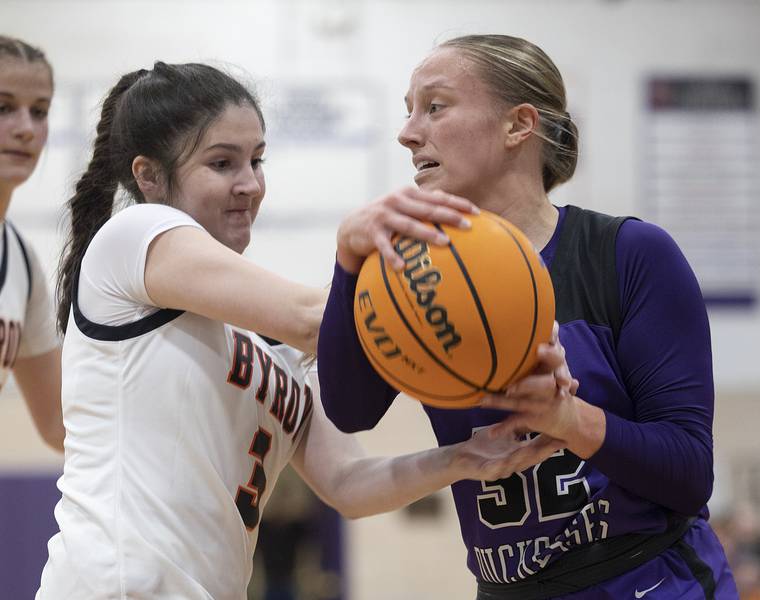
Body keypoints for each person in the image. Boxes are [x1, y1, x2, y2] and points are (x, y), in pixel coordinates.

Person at [36, 60, 560, 600]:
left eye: (257, 161)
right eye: (222, 163)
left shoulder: (278, 344)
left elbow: (349, 487)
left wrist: (466, 457)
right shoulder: (134, 235)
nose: (250, 185)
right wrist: (368, 261)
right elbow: (322, 320)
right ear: (149, 177)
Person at [317, 34, 739, 598]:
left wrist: (567, 418)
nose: (407, 132)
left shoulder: (628, 253)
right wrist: (348, 262)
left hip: (648, 579)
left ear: (518, 125)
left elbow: (688, 474)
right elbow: (351, 411)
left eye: (434, 107)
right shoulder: (410, 275)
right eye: (408, 111)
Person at [0, 35, 63, 451]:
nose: (25, 128)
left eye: (38, 112)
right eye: (3, 108)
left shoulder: (20, 258)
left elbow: (60, 423)